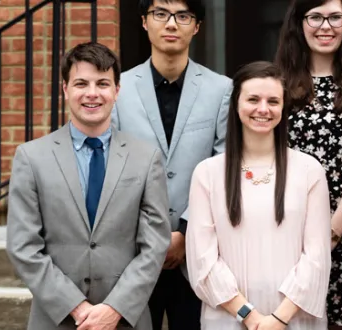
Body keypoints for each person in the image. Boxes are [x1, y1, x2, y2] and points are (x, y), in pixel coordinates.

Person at [5, 42, 171, 330]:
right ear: (65, 89)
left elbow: (154, 246)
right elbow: (23, 246)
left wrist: (114, 308)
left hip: (126, 319)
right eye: (81, 83)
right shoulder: (31, 157)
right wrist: (77, 308)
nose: (92, 93)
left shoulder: (146, 158)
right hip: (55, 319)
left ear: (117, 91)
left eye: (103, 84)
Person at [111, 0, 232, 328]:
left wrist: (184, 231)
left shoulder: (221, 89)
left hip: (197, 249)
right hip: (133, 249)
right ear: (144, 22)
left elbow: (223, 164)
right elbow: (112, 168)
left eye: (183, 15)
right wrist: (151, 235)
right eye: (160, 14)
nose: (171, 24)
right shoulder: (118, 90)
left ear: (197, 26)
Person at [185, 61, 332, 330]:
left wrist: (278, 320)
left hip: (295, 319)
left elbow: (317, 257)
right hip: (228, 319)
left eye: (273, 101)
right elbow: (202, 260)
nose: (263, 109)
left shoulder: (309, 170)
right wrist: (250, 317)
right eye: (253, 99)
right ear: (236, 104)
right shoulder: (207, 173)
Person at [274, 1, 342, 327]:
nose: (325, 26)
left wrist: (335, 226)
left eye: (335, 17)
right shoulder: (276, 84)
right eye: (315, 17)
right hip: (292, 230)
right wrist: (310, 233)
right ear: (299, 23)